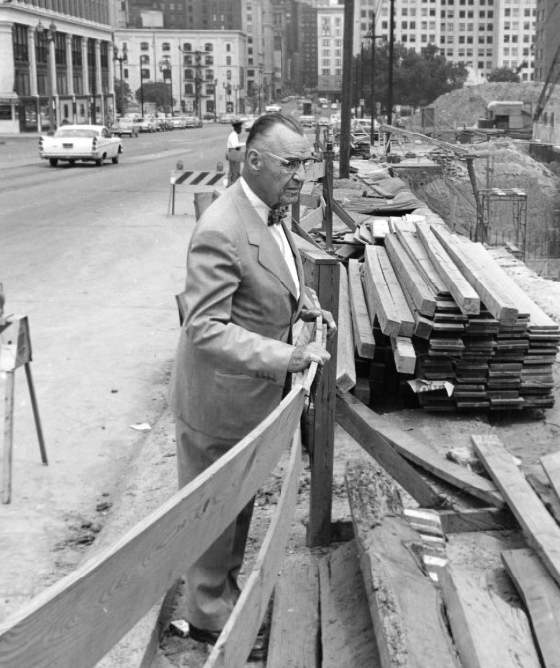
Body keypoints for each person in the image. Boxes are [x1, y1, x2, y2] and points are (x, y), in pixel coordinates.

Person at [170, 111, 335, 660]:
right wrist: (290, 355)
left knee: (239, 502)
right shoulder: (221, 228)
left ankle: (223, 591)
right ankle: (205, 614)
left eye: (307, 165)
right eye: (291, 164)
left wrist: (305, 304)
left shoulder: (271, 212)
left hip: (249, 397)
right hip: (219, 401)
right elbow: (205, 328)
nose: (301, 177)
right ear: (256, 160)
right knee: (213, 512)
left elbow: (277, 275)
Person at [226, 118, 244, 185]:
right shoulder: (233, 135)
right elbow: (235, 145)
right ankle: (231, 185)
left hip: (235, 154)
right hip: (234, 154)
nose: (241, 129)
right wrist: (246, 143)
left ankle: (232, 184)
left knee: (235, 171)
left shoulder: (235, 135)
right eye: (240, 128)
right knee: (234, 172)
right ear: (237, 128)